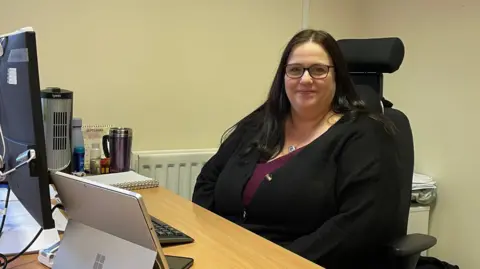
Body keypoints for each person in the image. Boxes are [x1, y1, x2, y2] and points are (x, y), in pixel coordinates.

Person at [192, 29, 402, 269]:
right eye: (295, 70)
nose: (305, 79)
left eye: (318, 70)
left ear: (338, 77)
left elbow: (358, 227)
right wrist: (213, 239)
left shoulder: (365, 135)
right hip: (228, 255)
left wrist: (274, 262)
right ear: (283, 76)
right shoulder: (260, 123)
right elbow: (208, 181)